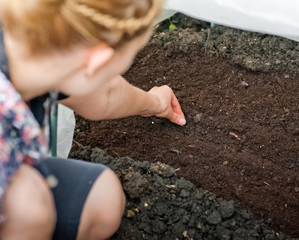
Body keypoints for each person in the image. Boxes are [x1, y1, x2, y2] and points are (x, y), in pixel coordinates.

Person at [0, 0, 186, 239]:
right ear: (97, 61)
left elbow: (105, 95)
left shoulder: (40, 46)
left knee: (102, 198)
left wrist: (154, 103)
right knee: (30, 205)